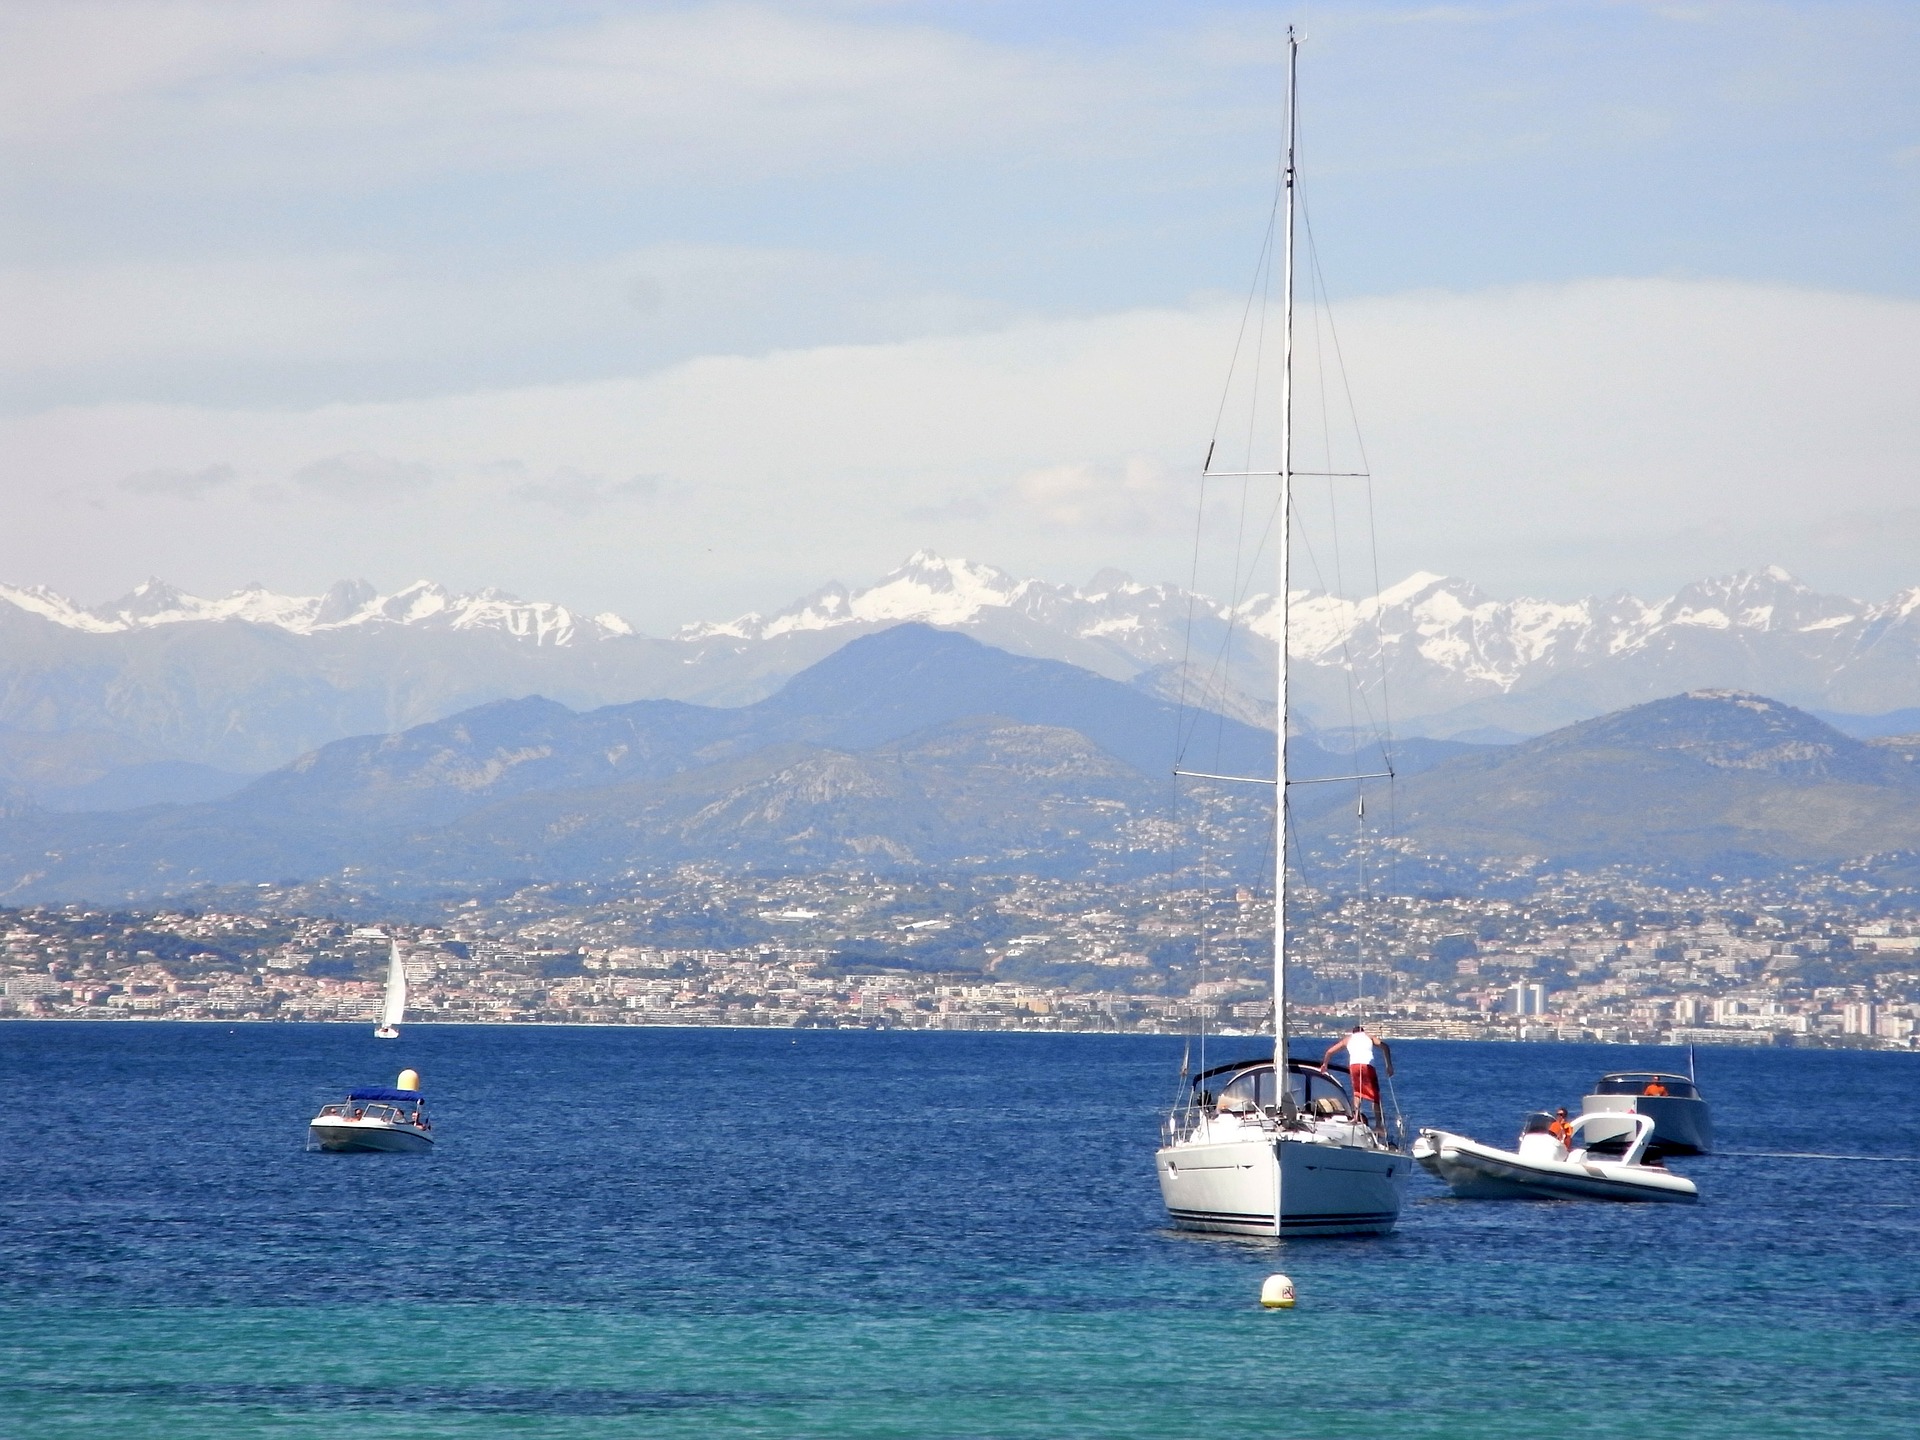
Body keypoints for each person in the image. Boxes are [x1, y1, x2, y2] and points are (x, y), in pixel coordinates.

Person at [1320, 1023, 1393, 1135]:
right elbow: (1385, 1047)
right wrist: (1389, 1065)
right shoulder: (1369, 1036)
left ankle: (1355, 1117)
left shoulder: (1348, 1039)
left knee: (1357, 1092)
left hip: (1354, 1066)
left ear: (1353, 1032)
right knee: (1374, 1096)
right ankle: (1378, 1125)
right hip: (1367, 1066)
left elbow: (1329, 1052)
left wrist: (1325, 1064)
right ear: (1362, 1031)